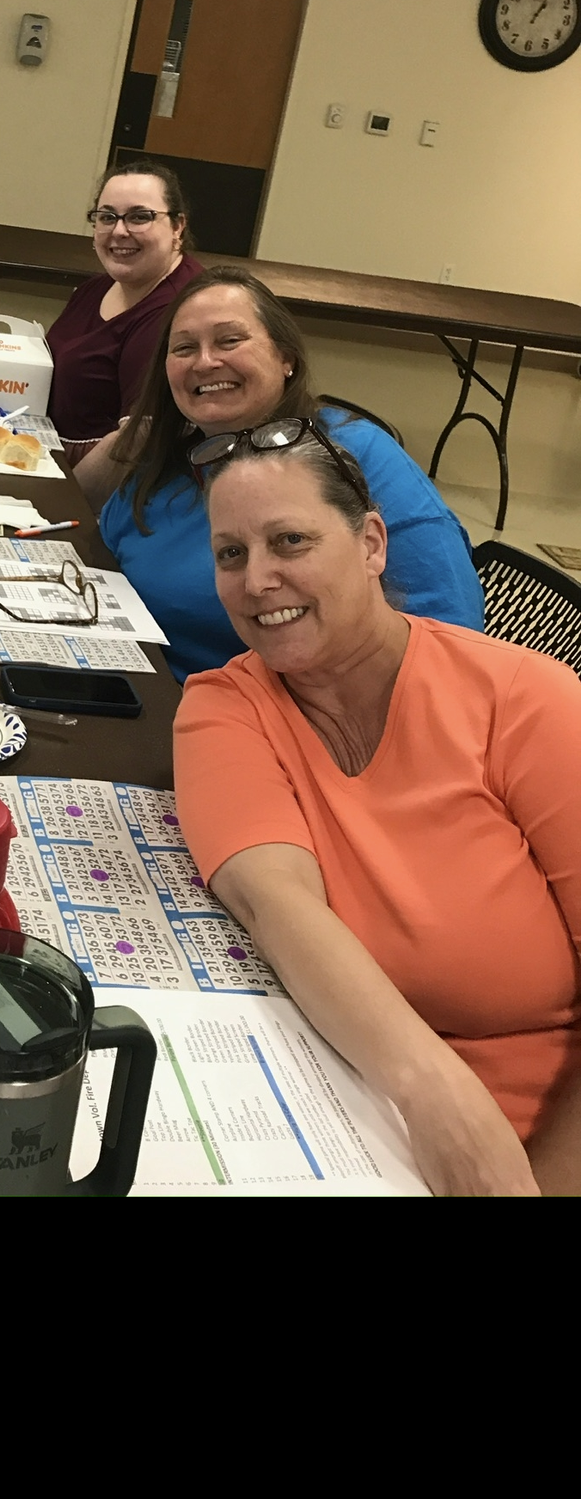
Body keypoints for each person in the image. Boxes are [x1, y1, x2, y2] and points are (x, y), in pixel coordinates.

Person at [172, 425, 581, 1195]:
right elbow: (276, 902)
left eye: (289, 541)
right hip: (354, 1120)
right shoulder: (226, 706)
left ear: (370, 544)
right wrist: (433, 1094)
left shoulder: (529, 701)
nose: (257, 580)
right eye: (232, 553)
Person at [75, 268, 484, 680]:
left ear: (286, 357)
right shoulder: (168, 460)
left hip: (272, 723)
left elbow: (450, 644)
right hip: (131, 684)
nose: (204, 361)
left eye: (229, 340)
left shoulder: (357, 454)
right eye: (183, 348)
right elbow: (97, 567)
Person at [46, 162, 203, 441]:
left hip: (98, 479)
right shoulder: (97, 287)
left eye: (139, 217)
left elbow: (138, 444)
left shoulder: (179, 310)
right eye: (107, 217)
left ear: (177, 226)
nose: (119, 231)